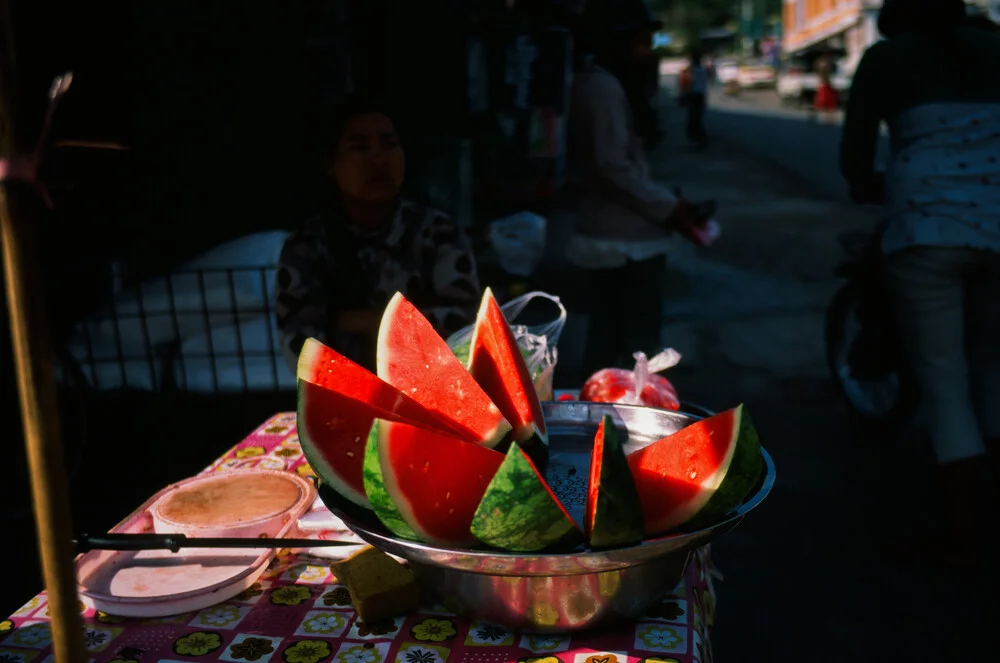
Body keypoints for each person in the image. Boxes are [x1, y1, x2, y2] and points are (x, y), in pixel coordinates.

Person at [840, 0, 1000, 568]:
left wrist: (864, 181)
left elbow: (856, 152)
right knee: (990, 363)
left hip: (927, 232)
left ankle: (961, 530)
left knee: (946, 383)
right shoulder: (993, 45)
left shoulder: (887, 59)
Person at [275, 95, 482, 372]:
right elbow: (301, 349)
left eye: (389, 145)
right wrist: (415, 320)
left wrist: (350, 320)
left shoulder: (438, 233)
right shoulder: (306, 246)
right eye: (359, 147)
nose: (378, 160)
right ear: (330, 163)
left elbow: (466, 330)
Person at [563, 0, 714, 376]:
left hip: (620, 236)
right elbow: (612, 167)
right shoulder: (602, 86)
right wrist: (668, 207)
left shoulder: (598, 83)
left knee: (612, 337)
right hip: (622, 243)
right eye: (641, 44)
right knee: (633, 349)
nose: (648, 53)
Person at [679, 48, 709, 148]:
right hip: (700, 96)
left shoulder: (688, 71)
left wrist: (682, 96)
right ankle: (698, 138)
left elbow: (684, 85)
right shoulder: (703, 70)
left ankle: (694, 139)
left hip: (693, 96)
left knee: (693, 118)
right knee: (697, 118)